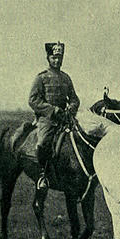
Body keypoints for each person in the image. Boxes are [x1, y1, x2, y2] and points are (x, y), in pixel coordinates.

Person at [28, 42, 81, 191]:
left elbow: (75, 98)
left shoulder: (66, 78)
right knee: (43, 143)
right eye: (54, 57)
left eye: (59, 58)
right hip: (48, 119)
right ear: (48, 58)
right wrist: (52, 110)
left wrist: (72, 107)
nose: (57, 61)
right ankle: (43, 176)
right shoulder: (41, 78)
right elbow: (33, 100)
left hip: (66, 118)